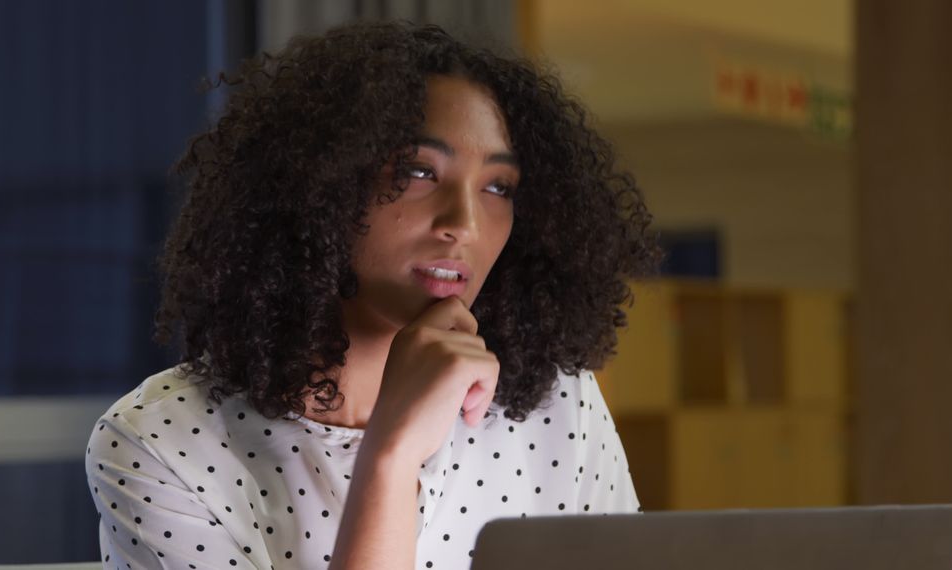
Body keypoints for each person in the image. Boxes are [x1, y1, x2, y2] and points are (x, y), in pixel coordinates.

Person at [85, 20, 662, 570]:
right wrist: (390, 456)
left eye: (497, 186)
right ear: (321, 185)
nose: (463, 223)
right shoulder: (162, 443)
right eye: (416, 171)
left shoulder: (560, 403)